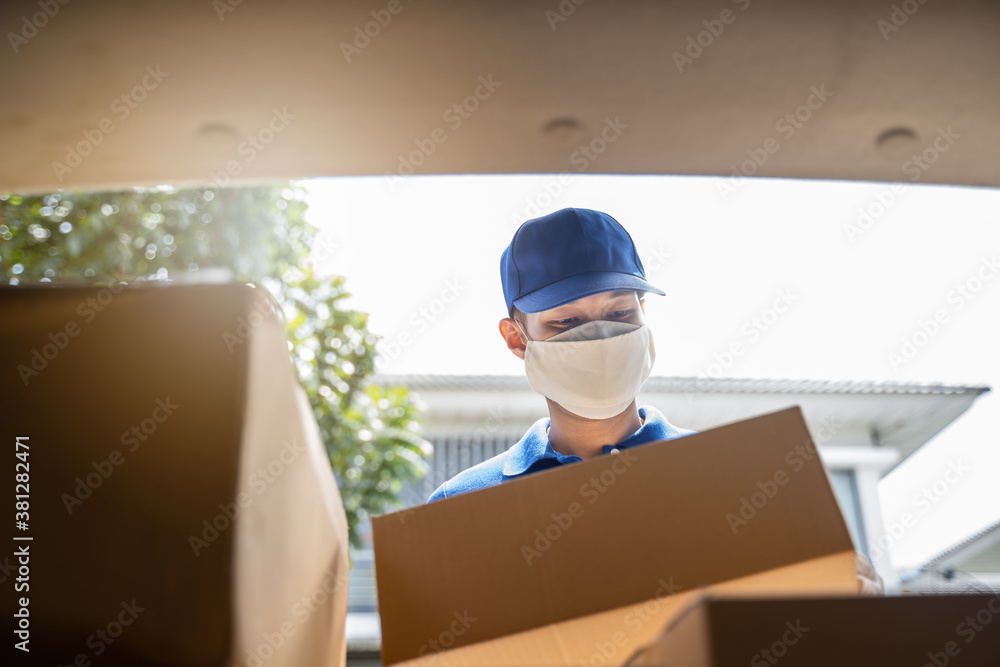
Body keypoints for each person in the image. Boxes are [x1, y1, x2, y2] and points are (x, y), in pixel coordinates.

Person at [426, 207, 695, 503]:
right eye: (567, 321)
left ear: (643, 314)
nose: (600, 337)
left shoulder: (719, 470)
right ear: (518, 340)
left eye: (619, 313)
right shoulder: (463, 505)